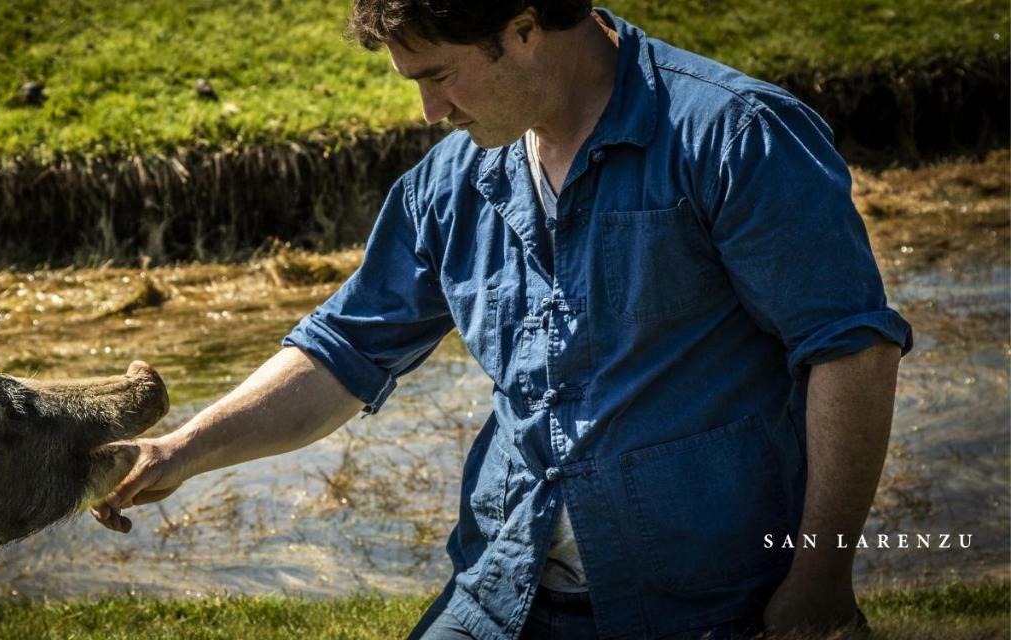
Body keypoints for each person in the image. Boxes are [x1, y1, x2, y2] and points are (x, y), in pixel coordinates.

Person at [91, 2, 913, 638]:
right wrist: (184, 447)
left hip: (712, 599)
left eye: (437, 74)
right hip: (502, 589)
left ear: (522, 28)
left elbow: (850, 352)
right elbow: (344, 350)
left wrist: (820, 579)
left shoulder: (735, 136)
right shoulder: (450, 182)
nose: (427, 110)